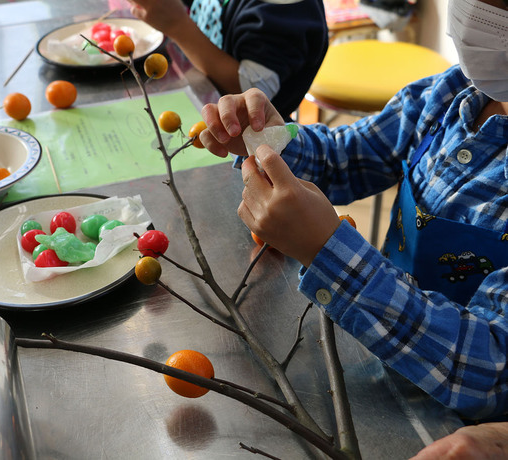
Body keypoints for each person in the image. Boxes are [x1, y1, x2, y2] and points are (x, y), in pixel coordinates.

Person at [199, 0, 508, 456]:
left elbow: (491, 367)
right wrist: (269, 138)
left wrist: (327, 251)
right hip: (379, 355)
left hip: (447, 418)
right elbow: (348, 155)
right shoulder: (450, 96)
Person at [127, 0, 329, 120]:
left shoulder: (286, 11)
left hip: (251, 145)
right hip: (199, 104)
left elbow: (248, 91)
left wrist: (177, 24)